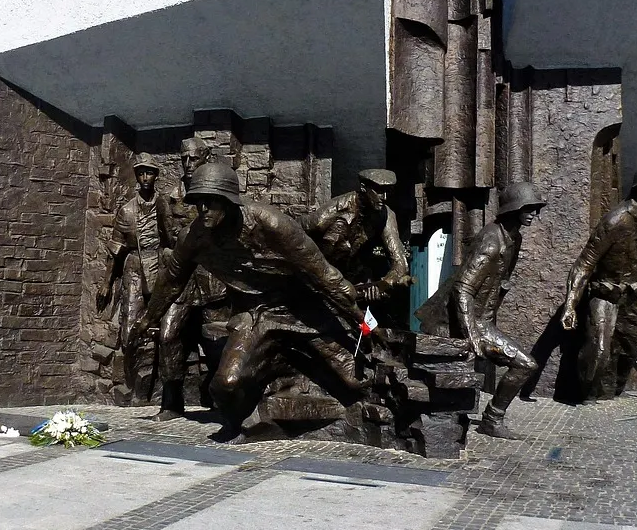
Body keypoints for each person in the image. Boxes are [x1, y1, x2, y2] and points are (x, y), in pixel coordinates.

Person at [128, 162, 364, 441]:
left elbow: (324, 274)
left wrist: (360, 319)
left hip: (301, 308)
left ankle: (290, 370)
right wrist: (146, 320)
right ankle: (255, 403)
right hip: (254, 315)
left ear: (229, 202)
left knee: (354, 380)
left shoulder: (271, 223)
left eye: (211, 202)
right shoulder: (193, 238)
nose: (203, 210)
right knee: (225, 385)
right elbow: (171, 282)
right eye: (199, 202)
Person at [420, 183, 546, 438]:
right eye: (528, 208)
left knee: (525, 366)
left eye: (535, 208)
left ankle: (492, 419)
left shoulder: (513, 237)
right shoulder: (491, 242)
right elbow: (462, 289)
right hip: (461, 323)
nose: (533, 213)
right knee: (526, 365)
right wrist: (471, 335)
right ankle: (490, 419)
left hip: (481, 321)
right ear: (514, 209)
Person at [561, 164, 637, 401]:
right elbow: (584, 264)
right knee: (600, 349)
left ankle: (611, 390)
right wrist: (570, 305)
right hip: (606, 292)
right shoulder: (616, 220)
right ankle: (587, 393)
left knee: (632, 349)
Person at [154, 138, 230, 421]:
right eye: (183, 159)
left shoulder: (217, 195)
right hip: (181, 281)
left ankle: (224, 401)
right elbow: (165, 241)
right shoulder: (167, 198)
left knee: (216, 341)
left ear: (205, 159)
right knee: (168, 335)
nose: (187, 164)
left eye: (193, 159)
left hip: (211, 278)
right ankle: (172, 403)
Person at [98, 153, 171, 402]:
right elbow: (115, 248)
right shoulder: (127, 210)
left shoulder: (164, 206)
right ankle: (133, 387)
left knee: (163, 330)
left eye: (149, 172)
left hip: (159, 267)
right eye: (141, 173)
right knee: (129, 330)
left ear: (156, 175)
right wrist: (106, 282)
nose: (145, 177)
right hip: (134, 268)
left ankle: (159, 390)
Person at [300, 169, 410, 307]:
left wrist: (385, 283)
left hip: (353, 280)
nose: (385, 197)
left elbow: (400, 263)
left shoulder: (386, 215)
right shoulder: (338, 208)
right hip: (319, 276)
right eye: (379, 191)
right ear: (364, 188)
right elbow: (302, 228)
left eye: (389, 191)